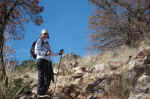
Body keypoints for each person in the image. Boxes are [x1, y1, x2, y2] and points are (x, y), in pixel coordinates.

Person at [34, 29, 63, 98]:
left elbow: (50, 53)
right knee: (41, 76)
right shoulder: (39, 40)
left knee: (49, 77)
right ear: (41, 34)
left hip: (47, 62)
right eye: (44, 33)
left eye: (46, 33)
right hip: (41, 60)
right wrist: (45, 53)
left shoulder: (47, 43)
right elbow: (36, 51)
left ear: (47, 35)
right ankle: (40, 94)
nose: (45, 35)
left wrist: (58, 53)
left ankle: (43, 92)